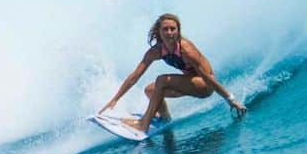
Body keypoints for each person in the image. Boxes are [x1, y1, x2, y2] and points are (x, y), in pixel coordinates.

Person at [99, 13, 247, 134]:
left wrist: (231, 100)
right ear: (159, 31)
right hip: (188, 81)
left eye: (173, 29)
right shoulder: (156, 51)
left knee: (162, 80)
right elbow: (135, 76)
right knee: (150, 90)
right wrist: (115, 99)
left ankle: (143, 124)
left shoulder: (186, 50)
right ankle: (165, 117)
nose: (169, 32)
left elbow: (208, 78)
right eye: (165, 29)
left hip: (204, 86)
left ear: (178, 30)